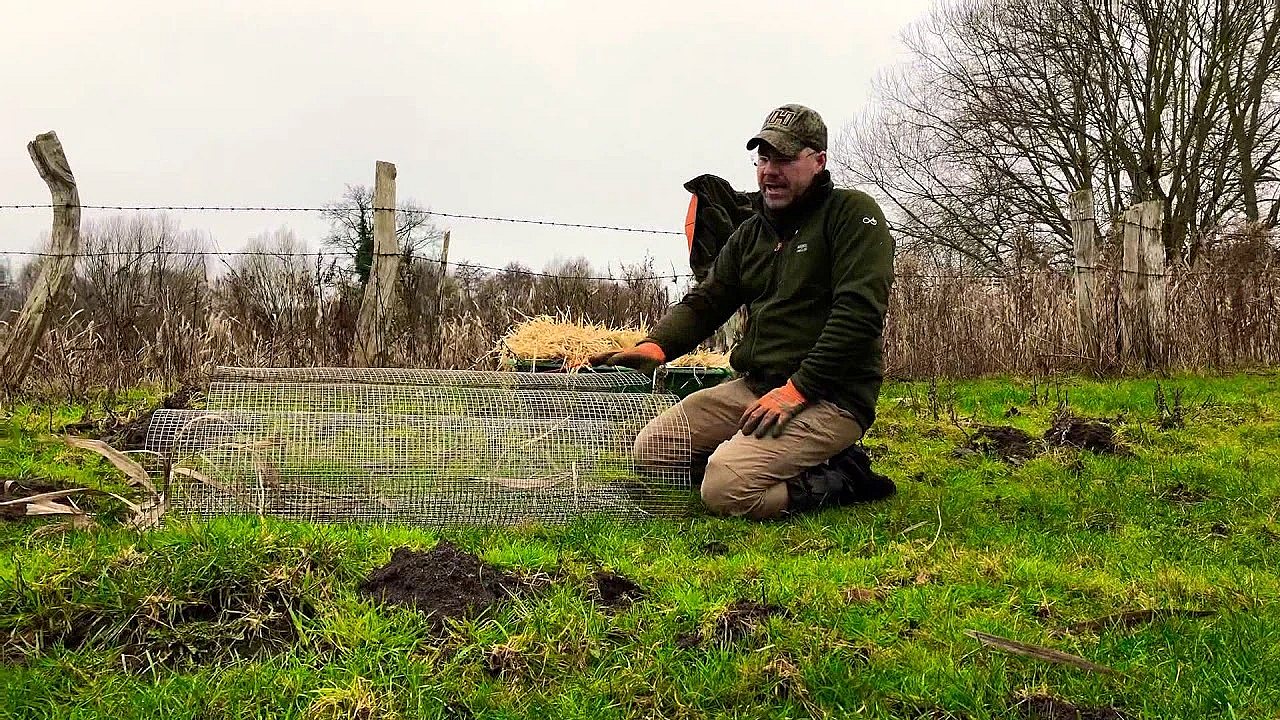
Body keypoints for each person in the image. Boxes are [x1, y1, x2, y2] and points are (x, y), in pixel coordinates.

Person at [590, 104, 896, 519]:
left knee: (725, 490)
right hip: (757, 387)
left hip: (830, 397)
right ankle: (762, 457)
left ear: (819, 161)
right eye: (764, 158)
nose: (770, 171)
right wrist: (655, 348)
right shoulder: (752, 232)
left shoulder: (850, 214)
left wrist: (797, 391)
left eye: (785, 159)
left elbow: (858, 316)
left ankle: (844, 475)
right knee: (653, 454)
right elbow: (708, 300)